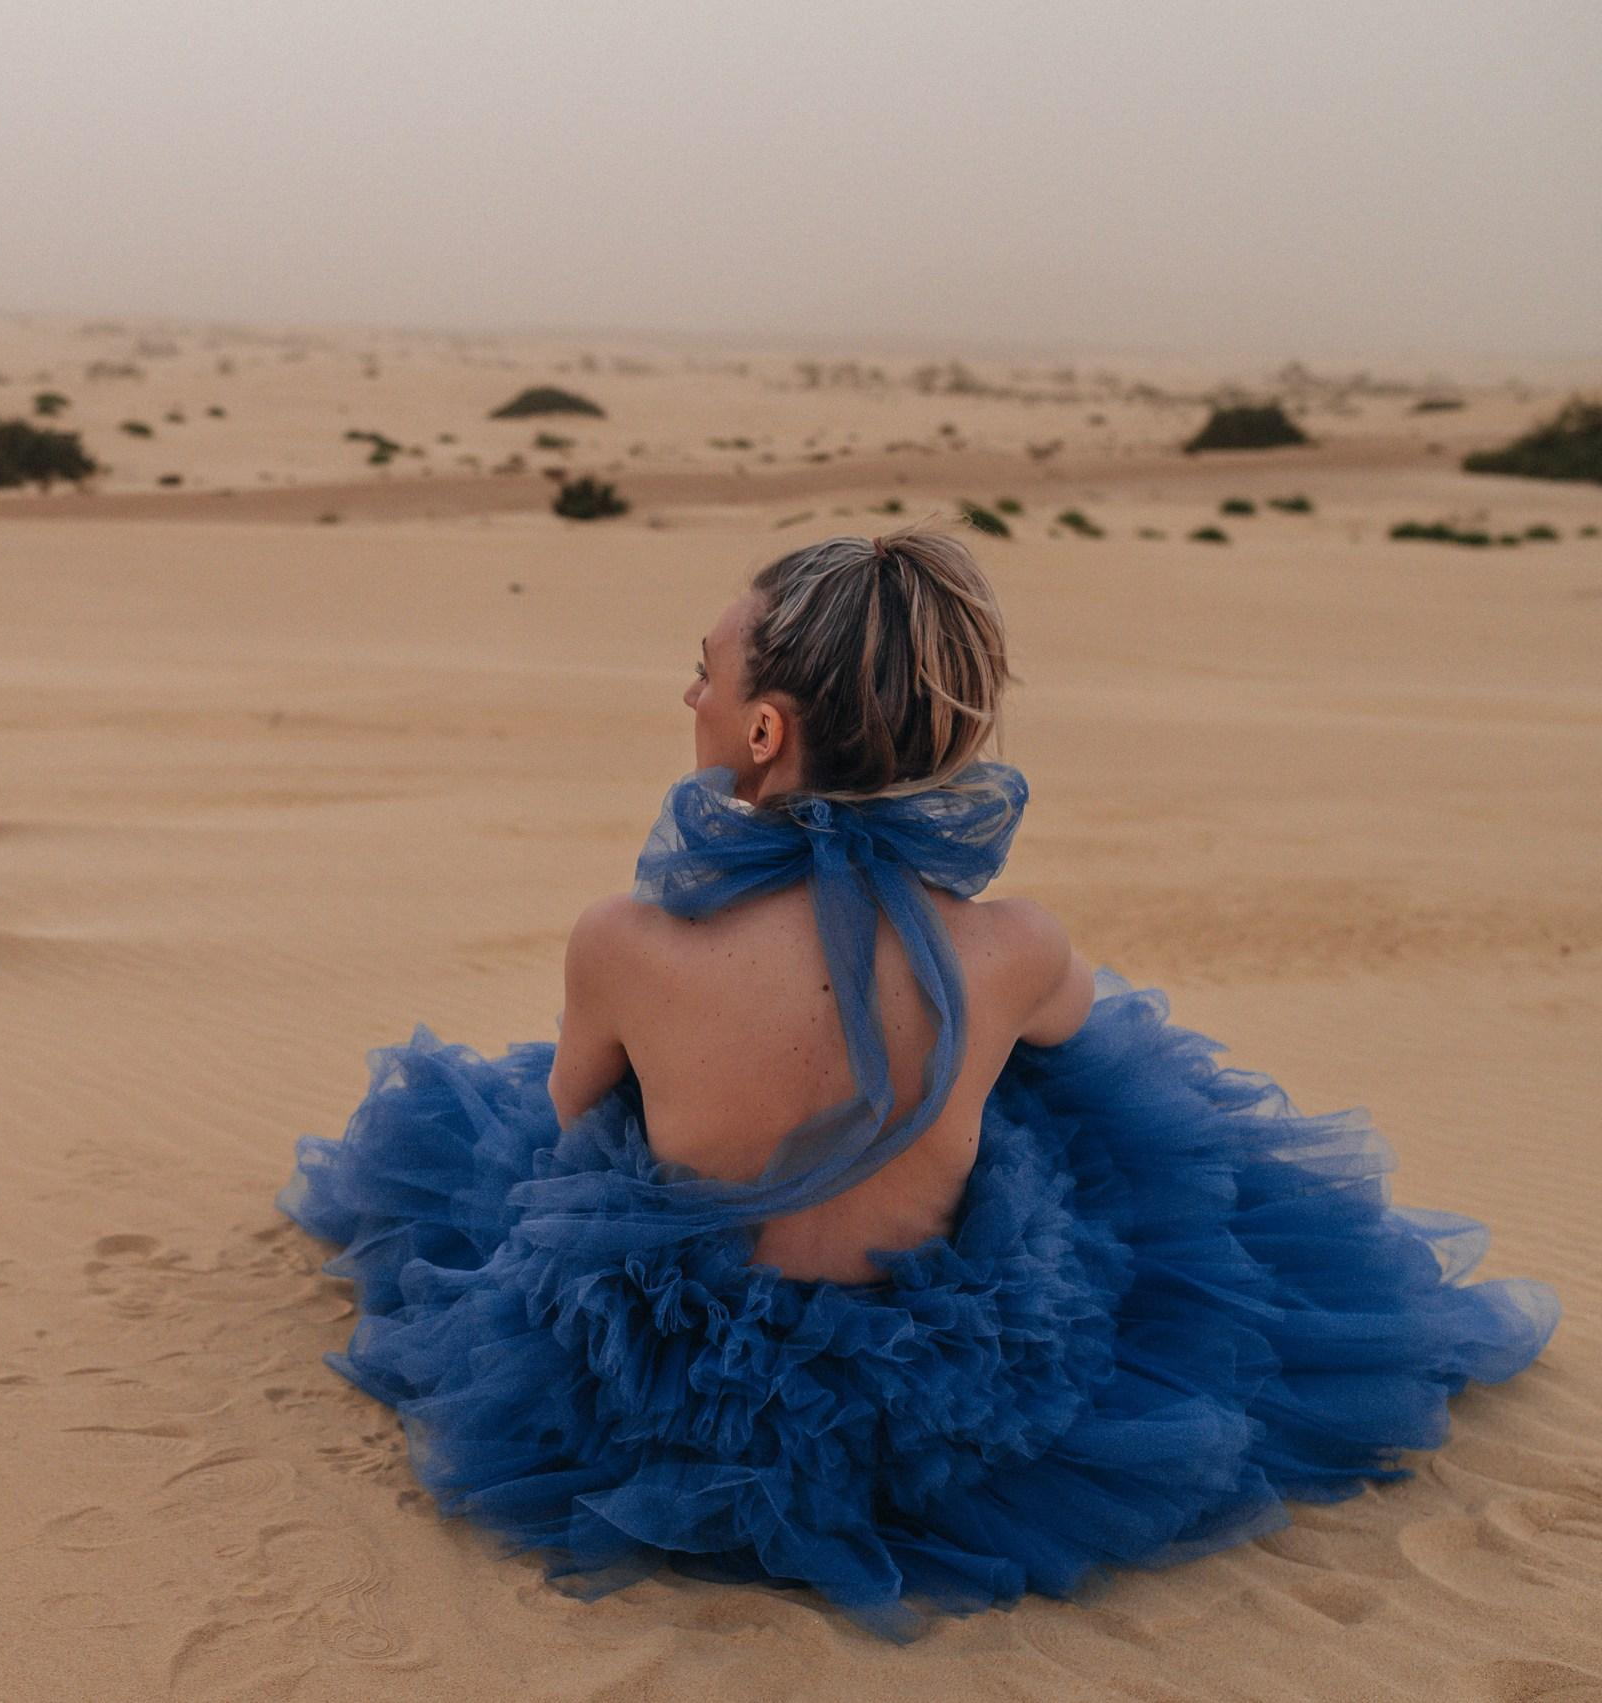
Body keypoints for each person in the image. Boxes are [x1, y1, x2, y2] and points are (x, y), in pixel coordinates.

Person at [276, 524, 1560, 1641]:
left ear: (765, 731)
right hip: (946, 1401)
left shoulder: (624, 941)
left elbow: (561, 1130)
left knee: (586, 1116)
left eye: (704, 674)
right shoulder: (1008, 947)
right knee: (1058, 1082)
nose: (689, 694)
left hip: (666, 1389)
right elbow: (1086, 1045)